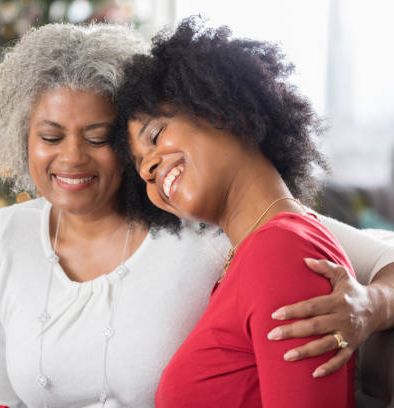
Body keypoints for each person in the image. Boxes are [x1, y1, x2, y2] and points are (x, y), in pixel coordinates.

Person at [0, 23, 394, 408]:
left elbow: (328, 248)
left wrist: (371, 305)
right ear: (22, 139)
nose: (71, 158)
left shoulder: (207, 221)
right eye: (50, 137)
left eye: (98, 137)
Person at [112, 17, 393, 407]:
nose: (147, 170)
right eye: (141, 167)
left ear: (224, 111)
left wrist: (375, 305)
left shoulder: (279, 252)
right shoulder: (254, 254)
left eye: (156, 136)